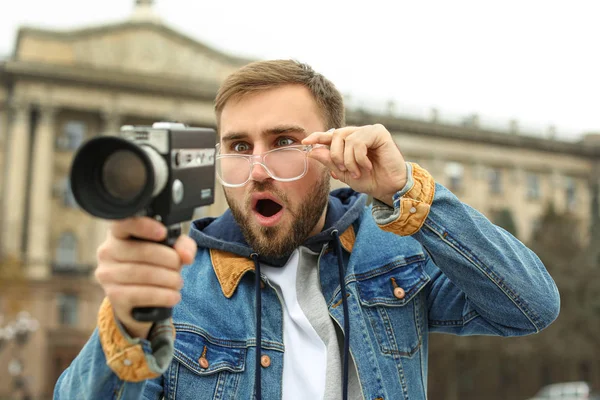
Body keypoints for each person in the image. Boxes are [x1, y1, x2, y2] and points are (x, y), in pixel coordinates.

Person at [54, 60, 560, 400]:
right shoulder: (179, 288)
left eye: (283, 141)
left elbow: (531, 305)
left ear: (330, 153)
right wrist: (124, 324)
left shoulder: (389, 254)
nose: (257, 169)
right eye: (238, 147)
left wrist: (407, 190)